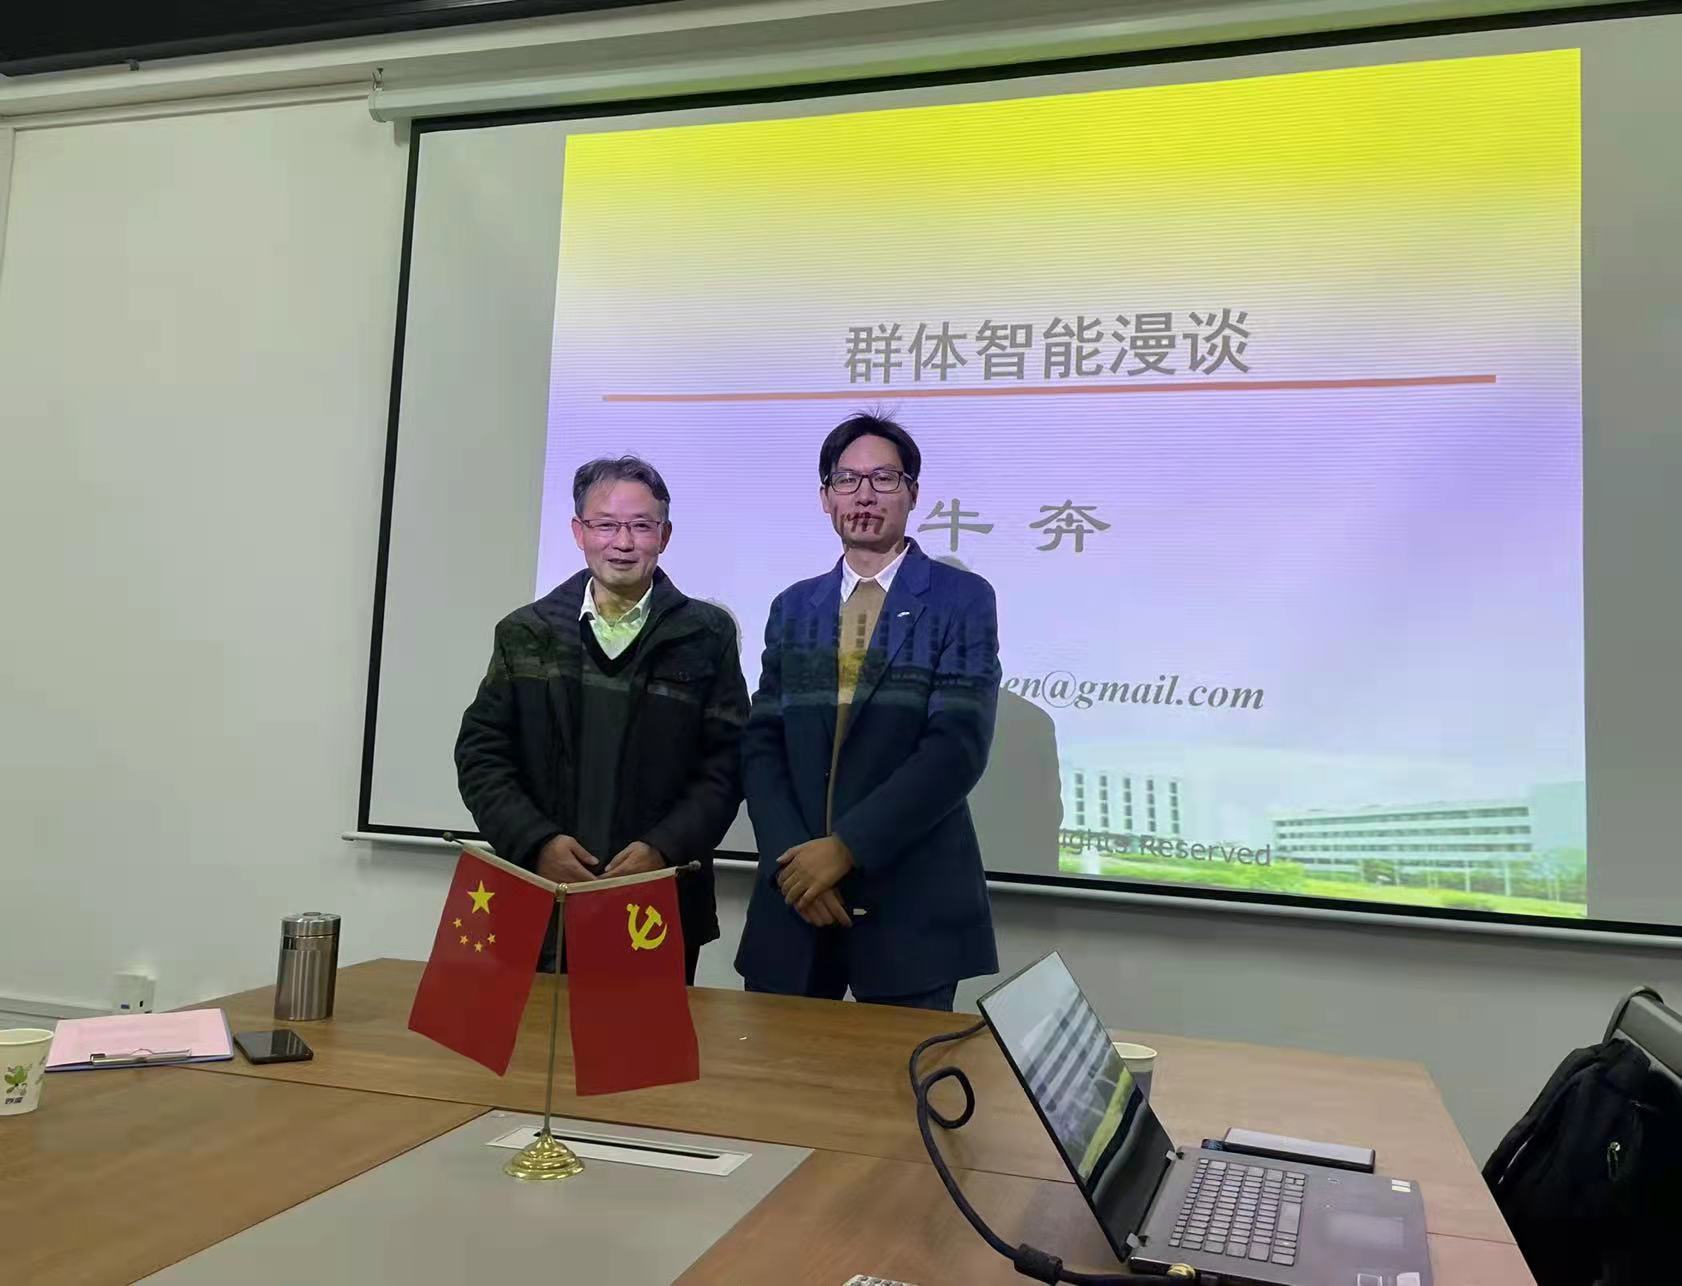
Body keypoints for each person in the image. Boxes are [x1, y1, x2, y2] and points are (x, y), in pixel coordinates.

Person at [735, 412, 1001, 1010]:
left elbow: (956, 748)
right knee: (779, 1068)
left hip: (910, 907)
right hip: (796, 903)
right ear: (826, 498)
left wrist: (845, 848)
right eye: (846, 480)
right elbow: (762, 743)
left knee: (901, 1073)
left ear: (913, 493)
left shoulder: (961, 599)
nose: (864, 495)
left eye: (883, 479)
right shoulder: (793, 607)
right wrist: (793, 866)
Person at [455, 456, 748, 983]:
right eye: (606, 525)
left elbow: (726, 766)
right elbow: (481, 755)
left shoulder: (706, 635)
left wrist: (665, 848)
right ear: (579, 532)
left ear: (665, 536)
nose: (623, 542)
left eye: (641, 526)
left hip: (656, 902)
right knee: (535, 1036)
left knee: (643, 1039)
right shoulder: (527, 632)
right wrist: (536, 842)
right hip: (540, 895)